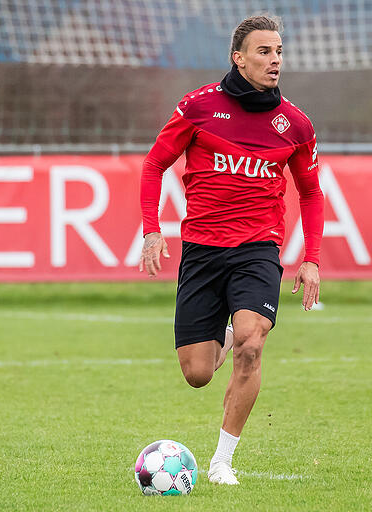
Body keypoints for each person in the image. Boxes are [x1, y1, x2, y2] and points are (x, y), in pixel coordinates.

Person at [139, 14, 323, 485]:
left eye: (279, 51)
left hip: (258, 249)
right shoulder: (198, 107)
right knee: (198, 373)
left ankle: (222, 461)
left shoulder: (295, 124)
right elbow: (155, 162)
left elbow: (311, 192)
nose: (275, 59)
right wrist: (152, 229)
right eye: (264, 51)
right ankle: (224, 326)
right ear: (238, 58)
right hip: (201, 250)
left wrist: (312, 259)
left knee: (252, 345)